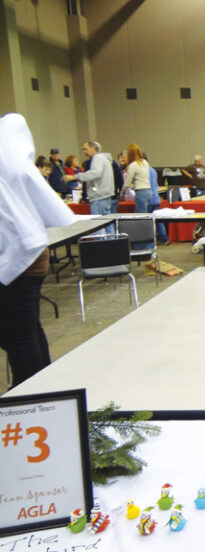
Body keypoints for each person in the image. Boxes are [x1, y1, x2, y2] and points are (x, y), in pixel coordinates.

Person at [0, 113, 77, 388]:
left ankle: (27, 393)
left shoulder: (9, 165)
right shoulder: (15, 164)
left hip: (21, 258)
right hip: (30, 253)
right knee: (28, 328)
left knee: (17, 335)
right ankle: (42, 386)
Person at [65, 141, 117, 232]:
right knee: (107, 225)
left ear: (93, 148)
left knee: (98, 227)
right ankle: (112, 241)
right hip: (105, 195)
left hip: (99, 197)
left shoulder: (97, 158)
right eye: (83, 150)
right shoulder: (104, 159)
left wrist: (74, 176)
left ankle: (101, 242)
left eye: (86, 149)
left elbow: (95, 173)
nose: (84, 152)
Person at [144, 153, 169, 245]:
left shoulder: (143, 171)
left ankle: (149, 240)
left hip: (148, 199)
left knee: (147, 221)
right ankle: (164, 238)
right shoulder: (152, 170)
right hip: (156, 198)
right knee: (158, 220)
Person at [121, 143, 152, 213]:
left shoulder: (133, 165)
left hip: (140, 192)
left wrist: (122, 193)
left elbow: (127, 183)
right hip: (148, 191)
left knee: (141, 216)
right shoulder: (145, 162)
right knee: (147, 215)